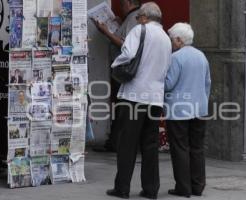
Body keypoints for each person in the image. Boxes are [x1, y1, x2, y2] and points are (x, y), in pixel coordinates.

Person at [106, 3, 172, 199]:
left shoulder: (139, 30)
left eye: (138, 17)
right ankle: (151, 189)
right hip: (155, 97)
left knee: (127, 143)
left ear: (143, 17)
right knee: (150, 145)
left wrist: (115, 66)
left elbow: (127, 54)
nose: (137, 20)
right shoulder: (166, 37)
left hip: (135, 95)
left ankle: (122, 188)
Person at [164, 23, 211, 198]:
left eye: (172, 39)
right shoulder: (201, 56)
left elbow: (169, 84)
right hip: (199, 108)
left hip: (178, 110)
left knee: (180, 148)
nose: (171, 43)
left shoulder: (176, 58)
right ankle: (198, 186)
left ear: (178, 39)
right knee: (197, 148)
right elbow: (207, 83)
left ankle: (183, 187)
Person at [92, 0, 141, 152]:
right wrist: (119, 26)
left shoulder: (134, 18)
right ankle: (116, 141)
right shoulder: (131, 18)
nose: (120, 7)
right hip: (123, 70)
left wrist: (106, 31)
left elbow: (126, 45)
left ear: (128, 2)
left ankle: (117, 142)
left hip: (125, 70)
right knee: (120, 104)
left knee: (122, 105)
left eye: (122, 4)